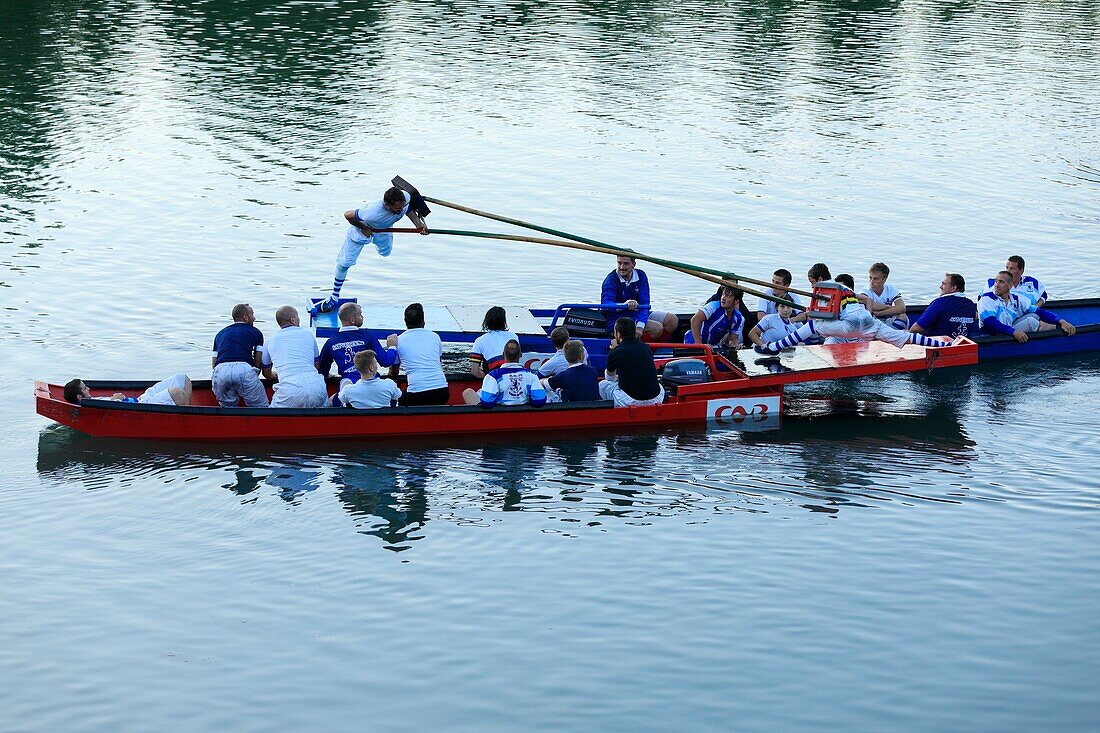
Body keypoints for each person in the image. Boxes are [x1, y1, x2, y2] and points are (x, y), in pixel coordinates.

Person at [754, 277, 952, 354]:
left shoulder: (825, 289)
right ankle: (946, 345)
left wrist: (811, 315)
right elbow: (863, 301)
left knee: (813, 327)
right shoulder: (847, 290)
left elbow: (824, 314)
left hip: (850, 325)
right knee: (905, 337)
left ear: (819, 281)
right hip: (869, 322)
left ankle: (772, 348)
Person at [313, 186, 429, 314]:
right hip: (362, 230)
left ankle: (376, 240)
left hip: (383, 229)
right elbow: (348, 215)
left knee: (385, 253)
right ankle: (334, 297)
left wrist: (418, 224)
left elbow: (408, 210)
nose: (400, 210)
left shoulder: (405, 198)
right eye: (397, 208)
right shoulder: (372, 212)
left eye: (402, 206)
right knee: (345, 263)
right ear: (386, 204)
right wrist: (363, 227)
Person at [382, 302, 450, 406]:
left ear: (405, 321)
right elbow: (438, 363)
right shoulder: (435, 337)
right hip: (442, 392)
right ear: (423, 321)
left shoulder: (399, 341)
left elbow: (394, 372)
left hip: (416, 393)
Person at [977, 271, 1075, 343]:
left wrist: (1061, 321)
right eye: (996, 281)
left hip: (1007, 331)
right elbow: (990, 323)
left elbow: (1039, 311)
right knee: (1031, 322)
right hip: (992, 336)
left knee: (1034, 315)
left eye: (1001, 282)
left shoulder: (1015, 299)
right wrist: (1013, 332)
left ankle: (1063, 327)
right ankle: (1060, 331)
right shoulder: (987, 299)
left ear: (1010, 285)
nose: (996, 285)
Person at [261, 306, 328, 408]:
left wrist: (274, 375)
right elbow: (317, 365)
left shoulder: (269, 341)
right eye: (298, 317)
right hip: (317, 386)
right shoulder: (308, 334)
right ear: (292, 320)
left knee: (269, 418)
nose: (299, 320)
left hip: (289, 390)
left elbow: (266, 373)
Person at [601, 255, 679, 340]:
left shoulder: (641, 275)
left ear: (633, 264)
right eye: (619, 263)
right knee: (657, 328)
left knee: (672, 320)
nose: (622, 267)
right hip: (618, 319)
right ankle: (640, 350)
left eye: (626, 264)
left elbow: (645, 303)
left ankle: (653, 348)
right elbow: (606, 305)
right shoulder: (610, 280)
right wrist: (623, 305)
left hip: (637, 314)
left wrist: (640, 326)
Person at [317, 302, 396, 385]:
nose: (362, 317)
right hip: (372, 382)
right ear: (352, 320)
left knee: (334, 397)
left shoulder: (331, 342)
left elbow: (322, 370)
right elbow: (386, 361)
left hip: (349, 382)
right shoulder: (367, 336)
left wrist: (328, 376)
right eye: (360, 314)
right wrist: (392, 347)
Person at [211, 303, 268, 408]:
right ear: (246, 317)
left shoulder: (220, 334)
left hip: (221, 370)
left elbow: (214, 362)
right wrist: (255, 374)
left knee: (227, 408)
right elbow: (258, 359)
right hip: (243, 369)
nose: (254, 318)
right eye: (252, 314)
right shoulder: (256, 332)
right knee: (261, 407)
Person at [599, 316, 665, 407]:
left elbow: (610, 378)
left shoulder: (615, 352)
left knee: (603, 385)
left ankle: (611, 414)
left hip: (631, 400)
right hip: (656, 398)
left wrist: (615, 350)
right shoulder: (646, 347)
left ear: (618, 334)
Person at [463, 339, 546, 407]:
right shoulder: (531, 376)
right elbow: (539, 400)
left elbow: (487, 402)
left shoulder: (493, 376)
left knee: (467, 392)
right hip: (523, 417)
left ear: (503, 354)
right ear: (520, 355)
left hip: (496, 418)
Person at [909, 273, 977, 339]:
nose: (940, 287)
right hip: (962, 346)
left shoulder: (940, 303)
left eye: (943, 284)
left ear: (953, 288)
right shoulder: (970, 305)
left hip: (938, 347)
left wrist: (907, 334)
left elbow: (917, 328)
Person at [64, 375, 192, 406]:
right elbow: (113, 405)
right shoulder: (89, 406)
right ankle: (188, 420)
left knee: (182, 378)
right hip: (143, 406)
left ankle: (187, 410)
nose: (89, 389)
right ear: (79, 397)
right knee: (175, 392)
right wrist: (117, 398)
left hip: (142, 398)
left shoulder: (92, 400)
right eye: (85, 388)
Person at [337, 350, 401, 409]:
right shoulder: (389, 384)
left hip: (359, 421)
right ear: (371, 367)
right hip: (384, 420)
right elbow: (397, 395)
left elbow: (341, 398)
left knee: (345, 382)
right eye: (376, 363)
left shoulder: (348, 390)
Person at [469, 306, 519, 379]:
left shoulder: (480, 340)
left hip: (494, 378)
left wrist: (488, 378)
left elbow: (475, 372)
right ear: (504, 321)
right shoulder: (513, 336)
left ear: (487, 321)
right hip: (514, 376)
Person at [859, 262, 908, 329]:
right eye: (870, 278)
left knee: (903, 316)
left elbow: (902, 308)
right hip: (873, 321)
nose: (871, 281)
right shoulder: (865, 290)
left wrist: (881, 313)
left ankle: (889, 334)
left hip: (887, 320)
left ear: (884, 279)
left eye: (875, 279)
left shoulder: (891, 290)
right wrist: (889, 307)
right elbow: (870, 305)